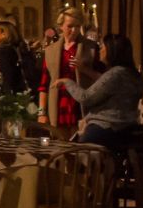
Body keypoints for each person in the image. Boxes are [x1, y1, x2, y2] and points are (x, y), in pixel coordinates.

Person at [57, 33, 143, 155]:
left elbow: (86, 98)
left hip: (107, 128)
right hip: (127, 127)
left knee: (75, 157)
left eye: (103, 47)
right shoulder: (133, 74)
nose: (100, 50)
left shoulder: (115, 74)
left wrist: (67, 82)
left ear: (112, 51)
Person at [38, 7, 99, 138]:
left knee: (80, 145)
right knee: (60, 145)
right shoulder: (51, 50)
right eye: (70, 26)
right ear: (61, 26)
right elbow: (44, 84)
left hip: (80, 103)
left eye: (77, 26)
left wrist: (84, 69)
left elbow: (102, 79)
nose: (74, 30)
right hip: (59, 103)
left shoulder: (91, 48)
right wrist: (41, 112)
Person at [0, 20, 34, 98]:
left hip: (10, 97)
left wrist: (7, 98)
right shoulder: (14, 49)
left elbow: (8, 77)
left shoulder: (5, 51)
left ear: (4, 34)